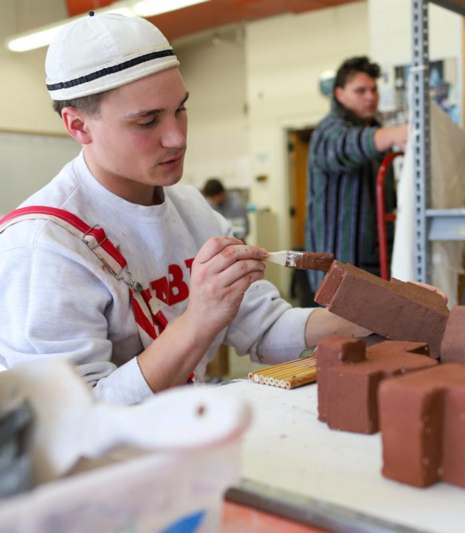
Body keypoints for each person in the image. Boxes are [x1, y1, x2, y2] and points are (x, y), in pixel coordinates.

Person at [0, 13, 371, 405]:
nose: (177, 138)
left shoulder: (191, 209)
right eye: (147, 121)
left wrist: (372, 317)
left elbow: (264, 327)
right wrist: (199, 320)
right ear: (78, 126)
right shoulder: (44, 247)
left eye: (180, 109)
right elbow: (75, 415)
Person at [305, 56, 408, 291]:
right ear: (339, 94)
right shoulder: (327, 131)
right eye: (360, 91)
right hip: (337, 270)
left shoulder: (373, 131)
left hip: (374, 262)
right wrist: (392, 135)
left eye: (374, 89)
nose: (370, 97)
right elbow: (347, 146)